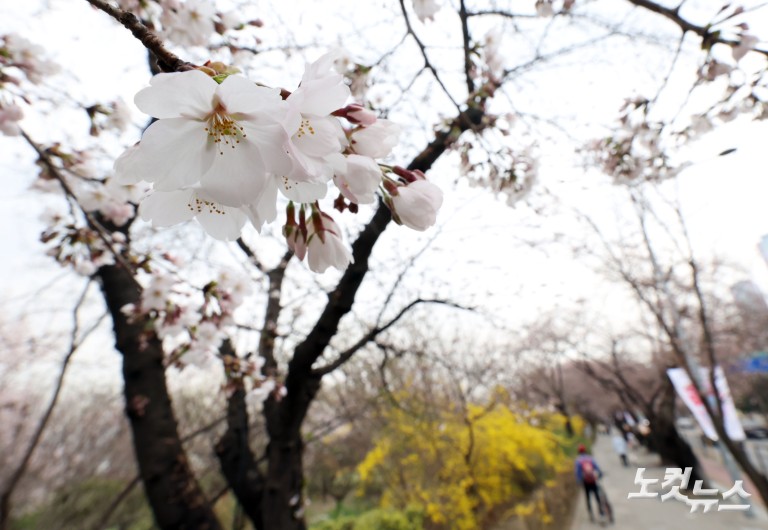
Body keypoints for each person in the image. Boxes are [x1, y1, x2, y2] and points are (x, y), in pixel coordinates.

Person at [575, 444, 604, 522]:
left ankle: (591, 514)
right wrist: (600, 473)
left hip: (586, 482)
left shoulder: (578, 460)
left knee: (588, 497)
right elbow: (596, 467)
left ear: (578, 452)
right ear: (585, 450)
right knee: (597, 496)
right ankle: (601, 512)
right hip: (593, 479)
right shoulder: (590, 458)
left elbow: (578, 473)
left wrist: (578, 481)